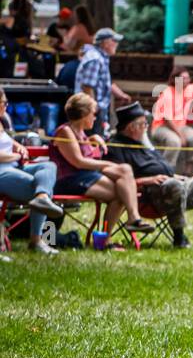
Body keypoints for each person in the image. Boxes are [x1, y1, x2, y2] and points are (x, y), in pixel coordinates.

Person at [107, 102, 193, 250]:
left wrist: (176, 176)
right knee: (174, 185)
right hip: (149, 196)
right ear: (131, 127)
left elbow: (161, 167)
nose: (146, 127)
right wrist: (147, 180)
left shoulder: (143, 143)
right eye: (143, 124)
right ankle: (179, 238)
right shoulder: (117, 147)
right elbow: (117, 179)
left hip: (173, 184)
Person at [53, 93, 153, 238]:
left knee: (123, 182)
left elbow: (88, 158)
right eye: (94, 114)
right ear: (84, 113)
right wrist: (108, 164)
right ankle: (132, 219)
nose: (95, 117)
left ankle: (111, 235)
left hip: (85, 177)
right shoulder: (65, 132)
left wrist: (92, 140)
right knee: (122, 185)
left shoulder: (82, 133)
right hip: (68, 180)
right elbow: (78, 161)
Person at [0, 92, 63, 255]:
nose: (6, 107)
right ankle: (37, 240)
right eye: (3, 103)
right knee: (36, 186)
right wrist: (17, 155)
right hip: (2, 172)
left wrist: (17, 145)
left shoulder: (1, 122)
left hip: (15, 167)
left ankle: (42, 197)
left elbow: (5, 140)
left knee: (48, 166)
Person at [74, 27, 129, 136]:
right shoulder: (95, 59)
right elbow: (87, 87)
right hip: (91, 110)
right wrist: (92, 110)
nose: (116, 44)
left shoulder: (100, 57)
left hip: (96, 109)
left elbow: (105, 82)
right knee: (93, 142)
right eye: (114, 41)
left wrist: (121, 95)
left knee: (98, 141)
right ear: (105, 43)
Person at [151, 65, 193, 174]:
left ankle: (187, 173)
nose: (187, 81)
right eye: (183, 79)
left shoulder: (190, 89)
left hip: (181, 126)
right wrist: (181, 136)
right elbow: (167, 119)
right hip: (161, 127)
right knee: (175, 141)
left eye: (188, 78)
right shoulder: (167, 93)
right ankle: (165, 172)